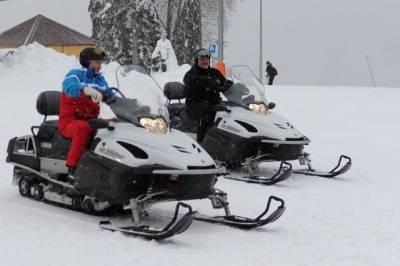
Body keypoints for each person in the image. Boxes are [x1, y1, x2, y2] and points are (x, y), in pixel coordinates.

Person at [59, 47, 114, 176]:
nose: (99, 66)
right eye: (96, 62)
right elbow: (69, 87)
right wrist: (84, 89)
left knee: (114, 126)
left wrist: (132, 104)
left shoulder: (100, 80)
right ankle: (73, 168)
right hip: (70, 121)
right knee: (83, 128)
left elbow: (111, 96)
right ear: (87, 62)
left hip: (91, 119)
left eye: (100, 63)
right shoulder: (75, 75)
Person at [183, 48, 233, 143]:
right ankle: (201, 142)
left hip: (214, 104)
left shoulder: (215, 72)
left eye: (207, 59)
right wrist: (207, 81)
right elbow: (190, 80)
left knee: (229, 110)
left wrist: (229, 84)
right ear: (196, 60)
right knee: (205, 111)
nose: (205, 61)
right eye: (202, 59)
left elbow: (223, 81)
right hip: (195, 105)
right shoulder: (191, 74)